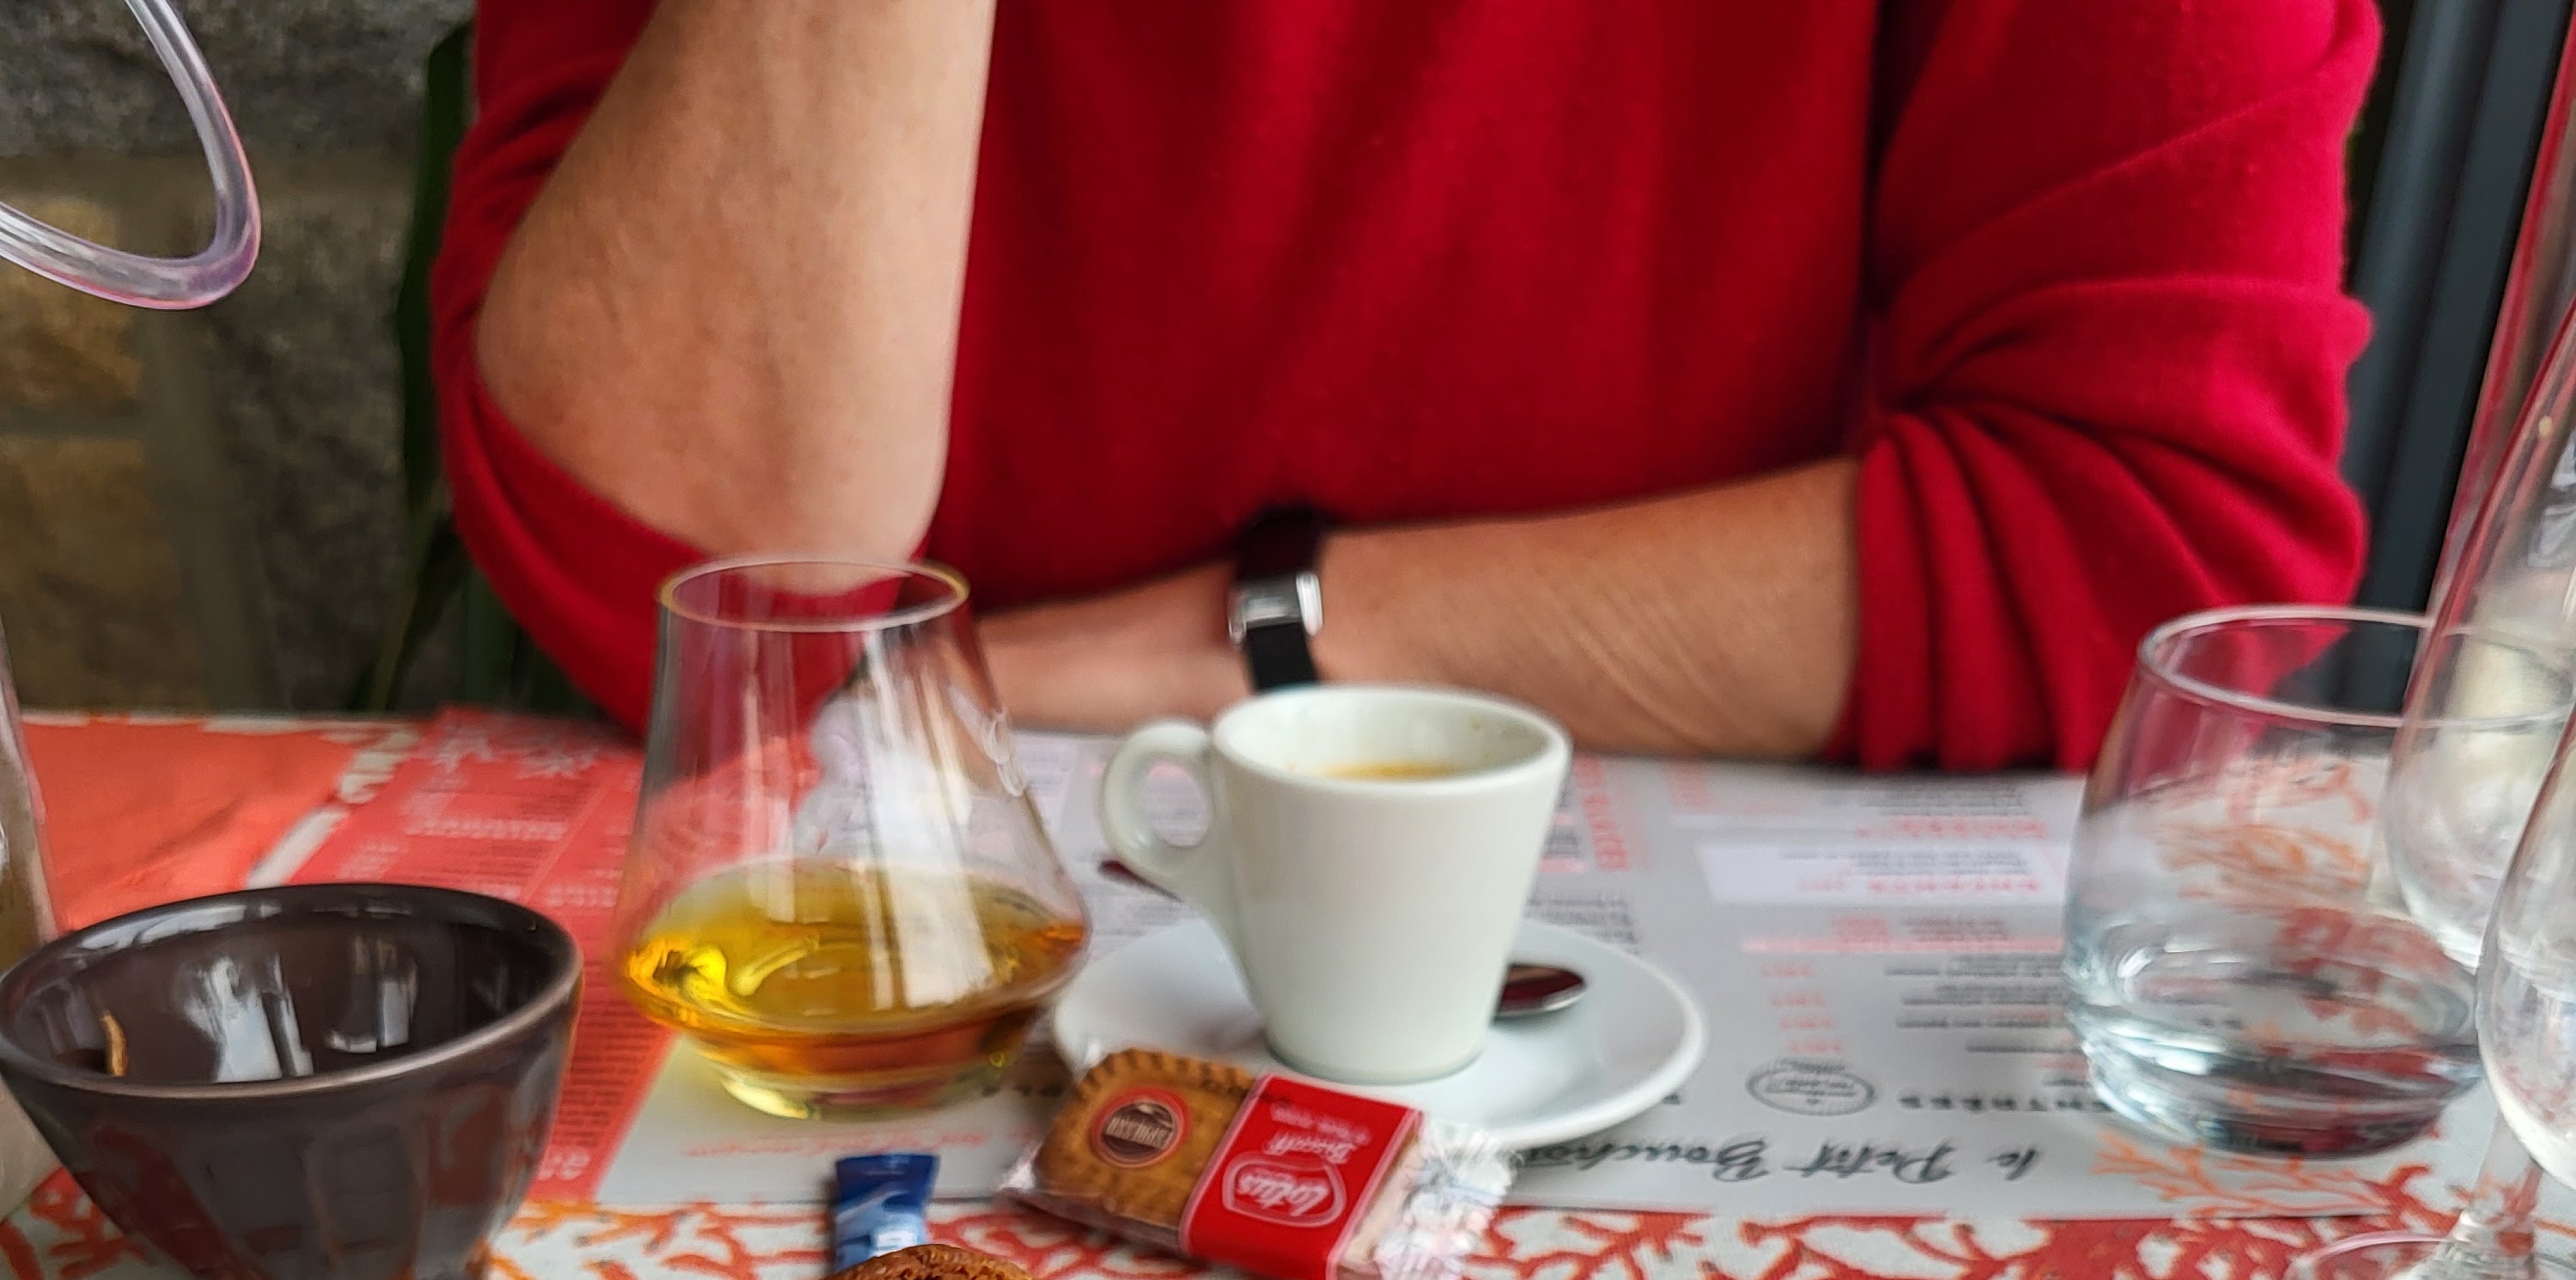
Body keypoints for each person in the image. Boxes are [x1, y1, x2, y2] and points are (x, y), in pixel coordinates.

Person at [431, 0, 2375, 770]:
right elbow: (689, 583)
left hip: (1696, 956)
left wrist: (1246, 638)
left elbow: (2146, 535)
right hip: (916, 934)